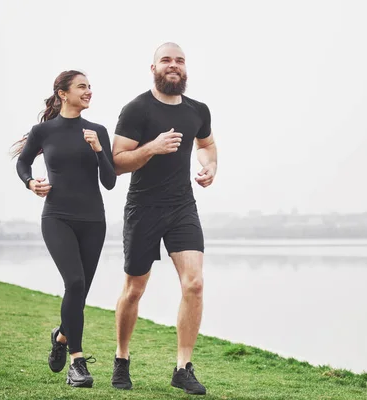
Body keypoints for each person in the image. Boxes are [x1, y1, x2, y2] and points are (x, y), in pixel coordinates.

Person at [110, 42, 217, 395]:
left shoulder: (198, 110)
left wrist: (209, 166)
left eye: (180, 61)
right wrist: (151, 148)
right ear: (153, 67)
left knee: (195, 283)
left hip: (182, 206)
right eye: (167, 60)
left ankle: (183, 367)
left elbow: (206, 144)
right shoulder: (136, 109)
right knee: (134, 290)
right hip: (143, 208)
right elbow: (116, 162)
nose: (174, 65)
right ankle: (121, 359)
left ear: (186, 69)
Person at [11, 70, 116, 388]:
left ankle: (60, 336)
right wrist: (31, 183)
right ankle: (77, 363)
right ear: (62, 93)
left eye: (90, 87)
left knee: (79, 292)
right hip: (57, 217)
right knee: (74, 281)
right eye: (82, 86)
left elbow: (109, 182)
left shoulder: (97, 130)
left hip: (94, 222)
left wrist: (99, 149)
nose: (88, 91)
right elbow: (23, 163)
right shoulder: (43, 131)